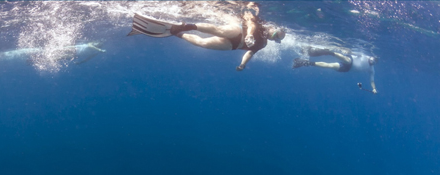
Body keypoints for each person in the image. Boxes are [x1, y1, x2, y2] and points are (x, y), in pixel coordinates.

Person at [129, 2, 286, 70]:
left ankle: (177, 33)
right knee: (220, 30)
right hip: (239, 31)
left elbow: (250, 52)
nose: (272, 35)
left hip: (233, 45)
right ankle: (186, 26)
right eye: (274, 33)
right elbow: (251, 25)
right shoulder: (258, 24)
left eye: (275, 37)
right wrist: (250, 35)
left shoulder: (263, 45)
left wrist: (243, 64)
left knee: (202, 43)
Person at [293, 47, 378, 94]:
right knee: (346, 59)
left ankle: (306, 63)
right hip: (350, 60)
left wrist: (374, 89)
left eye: (373, 62)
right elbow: (353, 53)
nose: (371, 61)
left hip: (347, 68)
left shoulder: (371, 69)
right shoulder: (364, 56)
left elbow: (372, 81)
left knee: (329, 66)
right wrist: (348, 51)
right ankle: (329, 52)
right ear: (371, 57)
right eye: (372, 59)